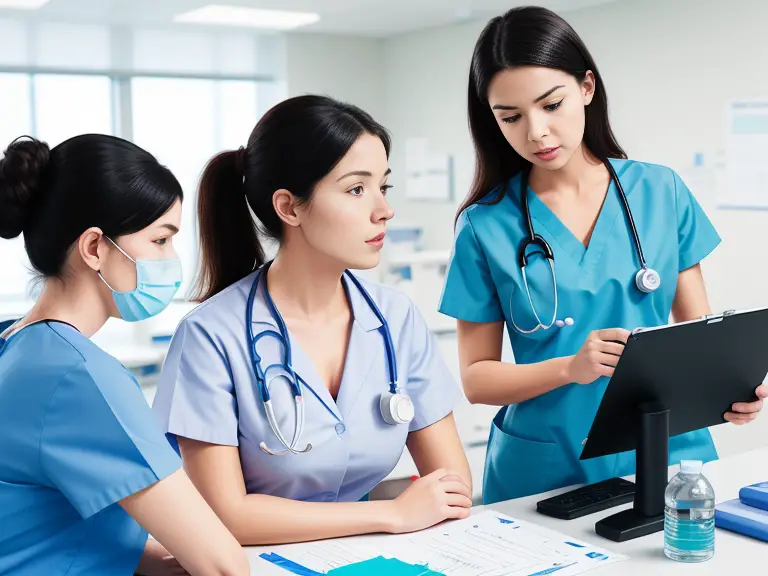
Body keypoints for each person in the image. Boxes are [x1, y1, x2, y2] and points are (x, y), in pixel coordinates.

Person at [438, 6, 767, 504]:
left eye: (551, 105)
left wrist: (729, 394)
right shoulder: (486, 224)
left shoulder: (661, 191)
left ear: (587, 88)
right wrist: (571, 367)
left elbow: (700, 339)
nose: (537, 133)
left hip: (667, 456)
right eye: (511, 117)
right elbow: (477, 380)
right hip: (546, 467)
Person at [152, 94, 472, 545]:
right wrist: (391, 513)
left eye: (384, 186)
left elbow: (453, 483)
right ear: (290, 207)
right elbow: (226, 515)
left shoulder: (396, 319)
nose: (384, 209)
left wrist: (396, 514)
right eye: (356, 189)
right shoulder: (210, 336)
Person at [0, 135, 249, 576]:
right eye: (160, 240)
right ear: (95, 247)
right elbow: (224, 567)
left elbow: (37, 520)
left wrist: (148, 558)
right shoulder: (78, 377)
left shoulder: (14, 343)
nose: (171, 259)